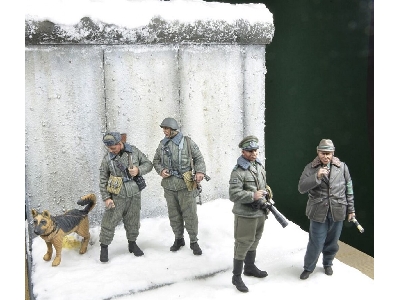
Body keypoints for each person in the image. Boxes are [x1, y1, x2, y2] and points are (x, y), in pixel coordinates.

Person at [298, 139, 355, 279]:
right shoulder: (310, 168)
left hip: (338, 210)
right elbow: (301, 188)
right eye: (323, 153)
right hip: (318, 211)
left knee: (332, 242)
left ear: (333, 153)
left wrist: (351, 210)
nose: (326, 156)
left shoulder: (342, 167)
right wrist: (316, 176)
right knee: (316, 242)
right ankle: (308, 267)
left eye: (328, 153)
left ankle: (328, 263)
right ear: (318, 152)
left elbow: (349, 189)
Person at [152, 117, 206, 255]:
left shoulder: (187, 142)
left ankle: (193, 241)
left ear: (173, 129)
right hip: (169, 186)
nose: (164, 131)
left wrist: (200, 172)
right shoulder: (162, 144)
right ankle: (178, 238)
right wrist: (161, 170)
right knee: (174, 215)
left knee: (190, 214)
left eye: (166, 128)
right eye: (163, 129)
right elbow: (156, 160)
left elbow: (198, 158)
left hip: (185, 185)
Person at [99, 131, 153, 262]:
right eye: (109, 148)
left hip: (134, 193)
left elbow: (148, 164)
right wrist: (106, 198)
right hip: (116, 194)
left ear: (120, 143)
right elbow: (103, 179)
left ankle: (132, 243)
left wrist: (138, 170)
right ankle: (104, 247)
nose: (111, 151)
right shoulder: (107, 159)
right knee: (109, 221)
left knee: (133, 220)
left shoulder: (133, 152)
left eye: (113, 148)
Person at [228, 135, 272, 293]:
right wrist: (252, 196)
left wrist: (266, 193)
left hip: (260, 211)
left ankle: (250, 267)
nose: (254, 153)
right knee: (243, 243)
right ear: (243, 152)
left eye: (256, 150)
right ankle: (236, 276)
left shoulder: (258, 166)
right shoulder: (238, 172)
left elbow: (263, 184)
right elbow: (233, 194)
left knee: (255, 239)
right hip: (245, 214)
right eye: (250, 151)